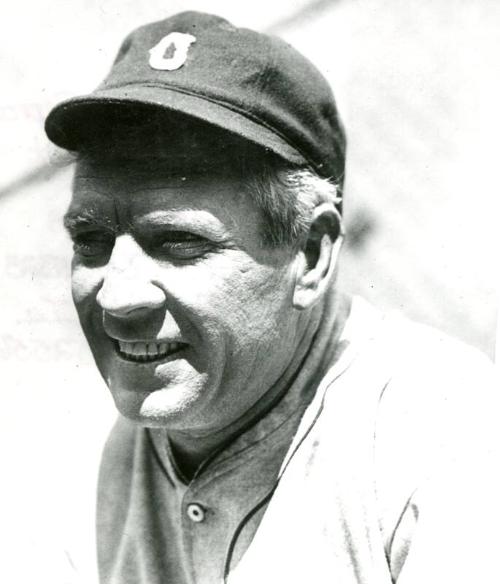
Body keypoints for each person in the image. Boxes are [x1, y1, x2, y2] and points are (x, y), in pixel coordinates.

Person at [44, 11, 500, 584]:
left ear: (310, 254)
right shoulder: (86, 456)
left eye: (179, 241)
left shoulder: (443, 432)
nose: (117, 295)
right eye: (90, 241)